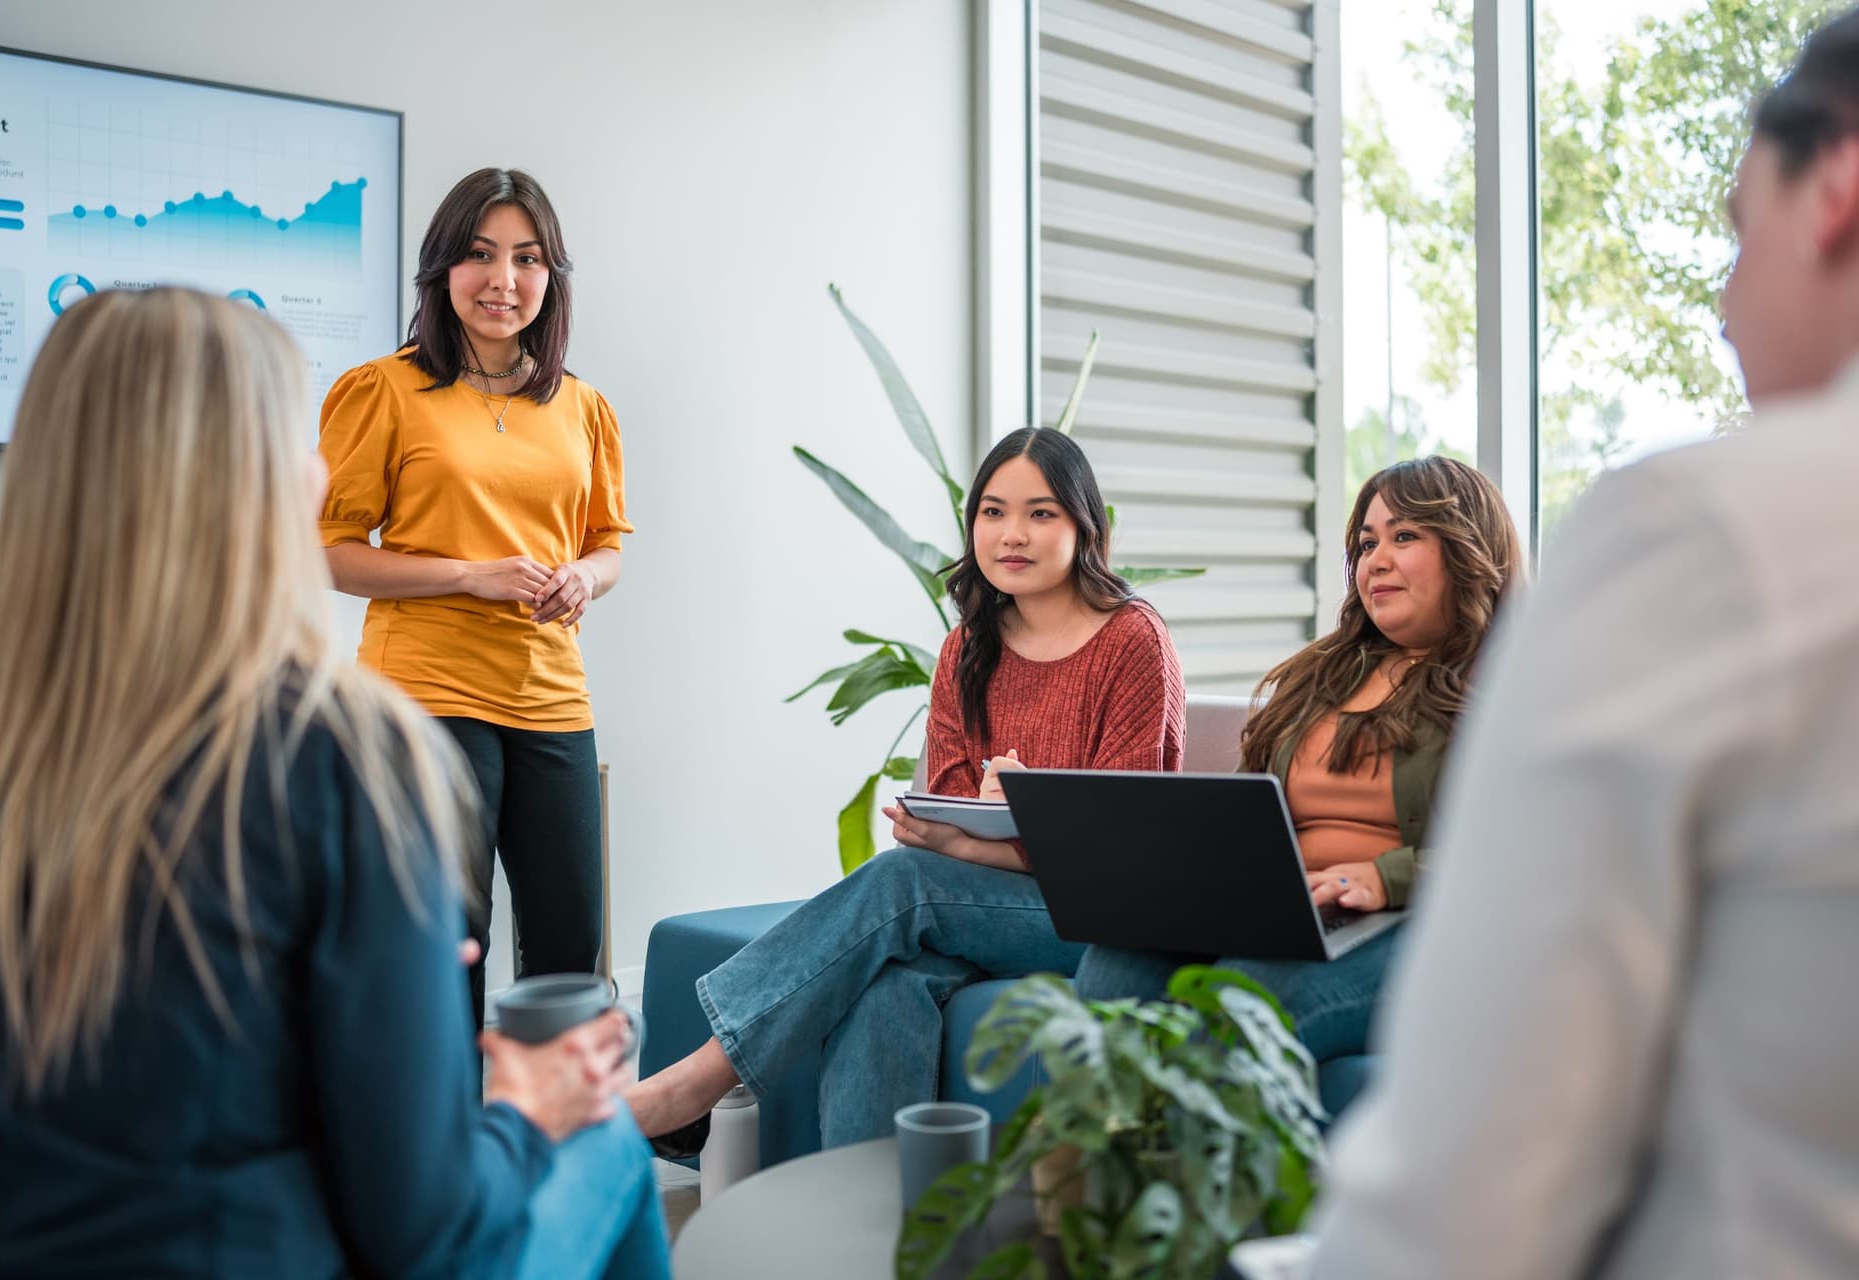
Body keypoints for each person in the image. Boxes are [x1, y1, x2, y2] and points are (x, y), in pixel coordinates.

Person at [0, 288, 667, 1280]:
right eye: (301, 441)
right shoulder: (340, 757)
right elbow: (428, 1230)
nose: (322, 468)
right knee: (610, 1141)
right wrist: (524, 1107)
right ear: (255, 480)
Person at [1311, 10, 1859, 1277]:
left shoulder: (1703, 533)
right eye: (1361, 539)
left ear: (1835, 186)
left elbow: (1467, 1195)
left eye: (1737, 237)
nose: (1726, 304)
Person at [625, 426, 1186, 1150]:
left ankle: (697, 1081)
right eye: (992, 511)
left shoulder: (1134, 640)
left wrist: (1009, 827)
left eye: (1041, 513)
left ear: (1087, 526)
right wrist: (977, 834)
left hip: (1102, 921)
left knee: (901, 887)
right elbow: (949, 819)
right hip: (985, 904)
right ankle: (876, 1225)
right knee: (887, 985)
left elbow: (1121, 846)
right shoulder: (966, 648)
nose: (1012, 533)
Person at [1071, 456, 1522, 1074]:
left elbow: (1527, 852)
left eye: (1405, 536)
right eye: (1367, 542)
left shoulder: (1511, 690)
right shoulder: (1322, 675)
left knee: (1247, 1002)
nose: (1377, 559)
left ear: (1468, 550)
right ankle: (1105, 1166)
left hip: (1413, 924)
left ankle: (1187, 1166)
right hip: (1280, 908)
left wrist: (1385, 877)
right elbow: (1243, 805)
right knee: (1111, 972)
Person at [319, 168, 632, 1025]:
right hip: (425, 693)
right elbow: (332, 555)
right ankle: (439, 1142)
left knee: (571, 947)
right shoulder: (382, 390)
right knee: (445, 938)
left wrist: (582, 578)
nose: (504, 280)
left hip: (551, 696)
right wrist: (466, 573)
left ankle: (553, 1139)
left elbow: (608, 546)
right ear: (442, 270)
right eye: (481, 256)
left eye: (528, 259)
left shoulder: (584, 408)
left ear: (550, 276)